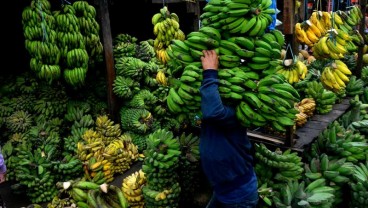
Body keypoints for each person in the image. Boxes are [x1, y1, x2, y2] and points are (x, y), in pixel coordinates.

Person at [199, 50, 259, 208]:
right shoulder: (220, 107)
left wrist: (210, 73)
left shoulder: (234, 113)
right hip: (223, 189)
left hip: (238, 195)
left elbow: (213, 112)